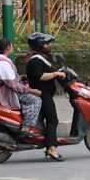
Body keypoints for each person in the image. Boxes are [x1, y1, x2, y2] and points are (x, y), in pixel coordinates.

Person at [24, 32, 68, 161]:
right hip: (42, 95)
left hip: (45, 93)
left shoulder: (39, 58)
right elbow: (40, 76)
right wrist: (55, 74)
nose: (50, 46)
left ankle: (47, 144)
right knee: (52, 120)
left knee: (47, 121)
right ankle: (51, 148)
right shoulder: (35, 60)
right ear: (40, 45)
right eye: (47, 44)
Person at [0, 38, 42, 133]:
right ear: (8, 47)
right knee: (36, 100)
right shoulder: (2, 63)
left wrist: (20, 77)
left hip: (9, 89)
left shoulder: (0, 60)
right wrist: (31, 91)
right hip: (10, 92)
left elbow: (9, 79)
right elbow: (12, 84)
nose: (13, 47)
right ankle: (26, 127)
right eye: (12, 45)